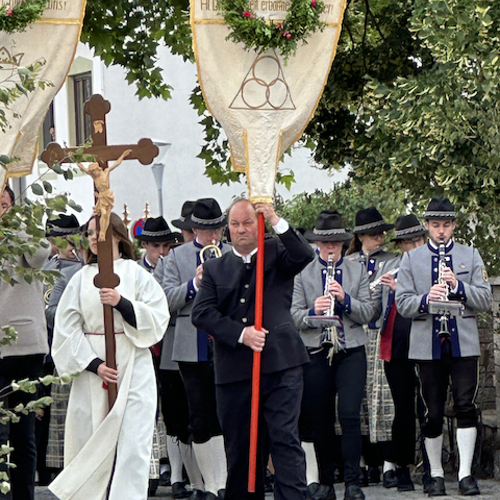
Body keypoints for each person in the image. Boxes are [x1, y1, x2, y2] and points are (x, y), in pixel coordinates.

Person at [192, 199, 315, 500]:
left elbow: (304, 254)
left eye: (247, 222)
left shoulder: (278, 253)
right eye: (234, 224)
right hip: (235, 371)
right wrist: (241, 334)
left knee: (284, 439)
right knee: (242, 448)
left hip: (281, 364)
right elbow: (202, 313)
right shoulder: (214, 268)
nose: (241, 229)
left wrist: (273, 217)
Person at [49, 213, 170, 500]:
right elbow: (66, 330)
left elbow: (158, 316)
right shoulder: (80, 279)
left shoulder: (136, 273)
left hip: (133, 363)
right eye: (89, 232)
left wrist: (122, 303)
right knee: (90, 439)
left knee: (133, 442)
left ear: (117, 235)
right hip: (94, 369)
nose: (93, 238)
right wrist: (95, 365)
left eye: (99, 232)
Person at [396, 198, 492, 496]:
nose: (441, 231)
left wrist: (459, 287)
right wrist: (427, 298)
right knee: (432, 412)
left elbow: (486, 300)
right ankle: (435, 474)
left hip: (463, 343)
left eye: (446, 225)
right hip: (429, 344)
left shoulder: (470, 254)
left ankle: (465, 475)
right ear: (426, 226)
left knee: (466, 406)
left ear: (453, 226)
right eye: (435, 225)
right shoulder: (411, 259)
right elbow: (402, 304)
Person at [291, 211, 379, 500]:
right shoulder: (302, 273)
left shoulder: (356, 272)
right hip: (316, 350)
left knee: (351, 415)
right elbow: (292, 316)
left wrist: (346, 300)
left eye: (336, 244)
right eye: (324, 244)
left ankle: (353, 483)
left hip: (350, 349)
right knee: (321, 418)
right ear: (316, 244)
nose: (330, 249)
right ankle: (326, 483)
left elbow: (369, 312)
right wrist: (314, 311)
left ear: (343, 244)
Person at [156, 198, 231, 500]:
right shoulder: (175, 257)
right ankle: (209, 485)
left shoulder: (233, 254)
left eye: (217, 229)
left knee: (225, 415)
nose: (212, 236)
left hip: (227, 343)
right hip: (192, 345)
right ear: (194, 228)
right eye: (205, 229)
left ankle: (224, 483)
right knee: (199, 417)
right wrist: (193, 284)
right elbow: (164, 300)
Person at [0, 185, 51, 500]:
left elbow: (37, 258)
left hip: (23, 347)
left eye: (4, 203)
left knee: (22, 433)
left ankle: (23, 496)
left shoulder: (28, 228)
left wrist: (14, 225)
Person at [371, 214, 426, 491]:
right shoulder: (391, 266)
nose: (415, 246)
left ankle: (430, 469)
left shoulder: (434, 266)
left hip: (427, 341)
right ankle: (401, 467)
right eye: (408, 242)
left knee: (427, 406)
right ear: (401, 245)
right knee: (403, 407)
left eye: (418, 240)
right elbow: (376, 306)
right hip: (397, 341)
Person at [347, 207, 396, 486]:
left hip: (381, 331)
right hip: (354, 332)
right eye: (373, 234)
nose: (379, 238)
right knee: (358, 397)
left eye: (381, 233)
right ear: (361, 236)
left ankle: (387, 462)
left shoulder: (392, 261)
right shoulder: (349, 261)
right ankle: (366, 463)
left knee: (383, 396)